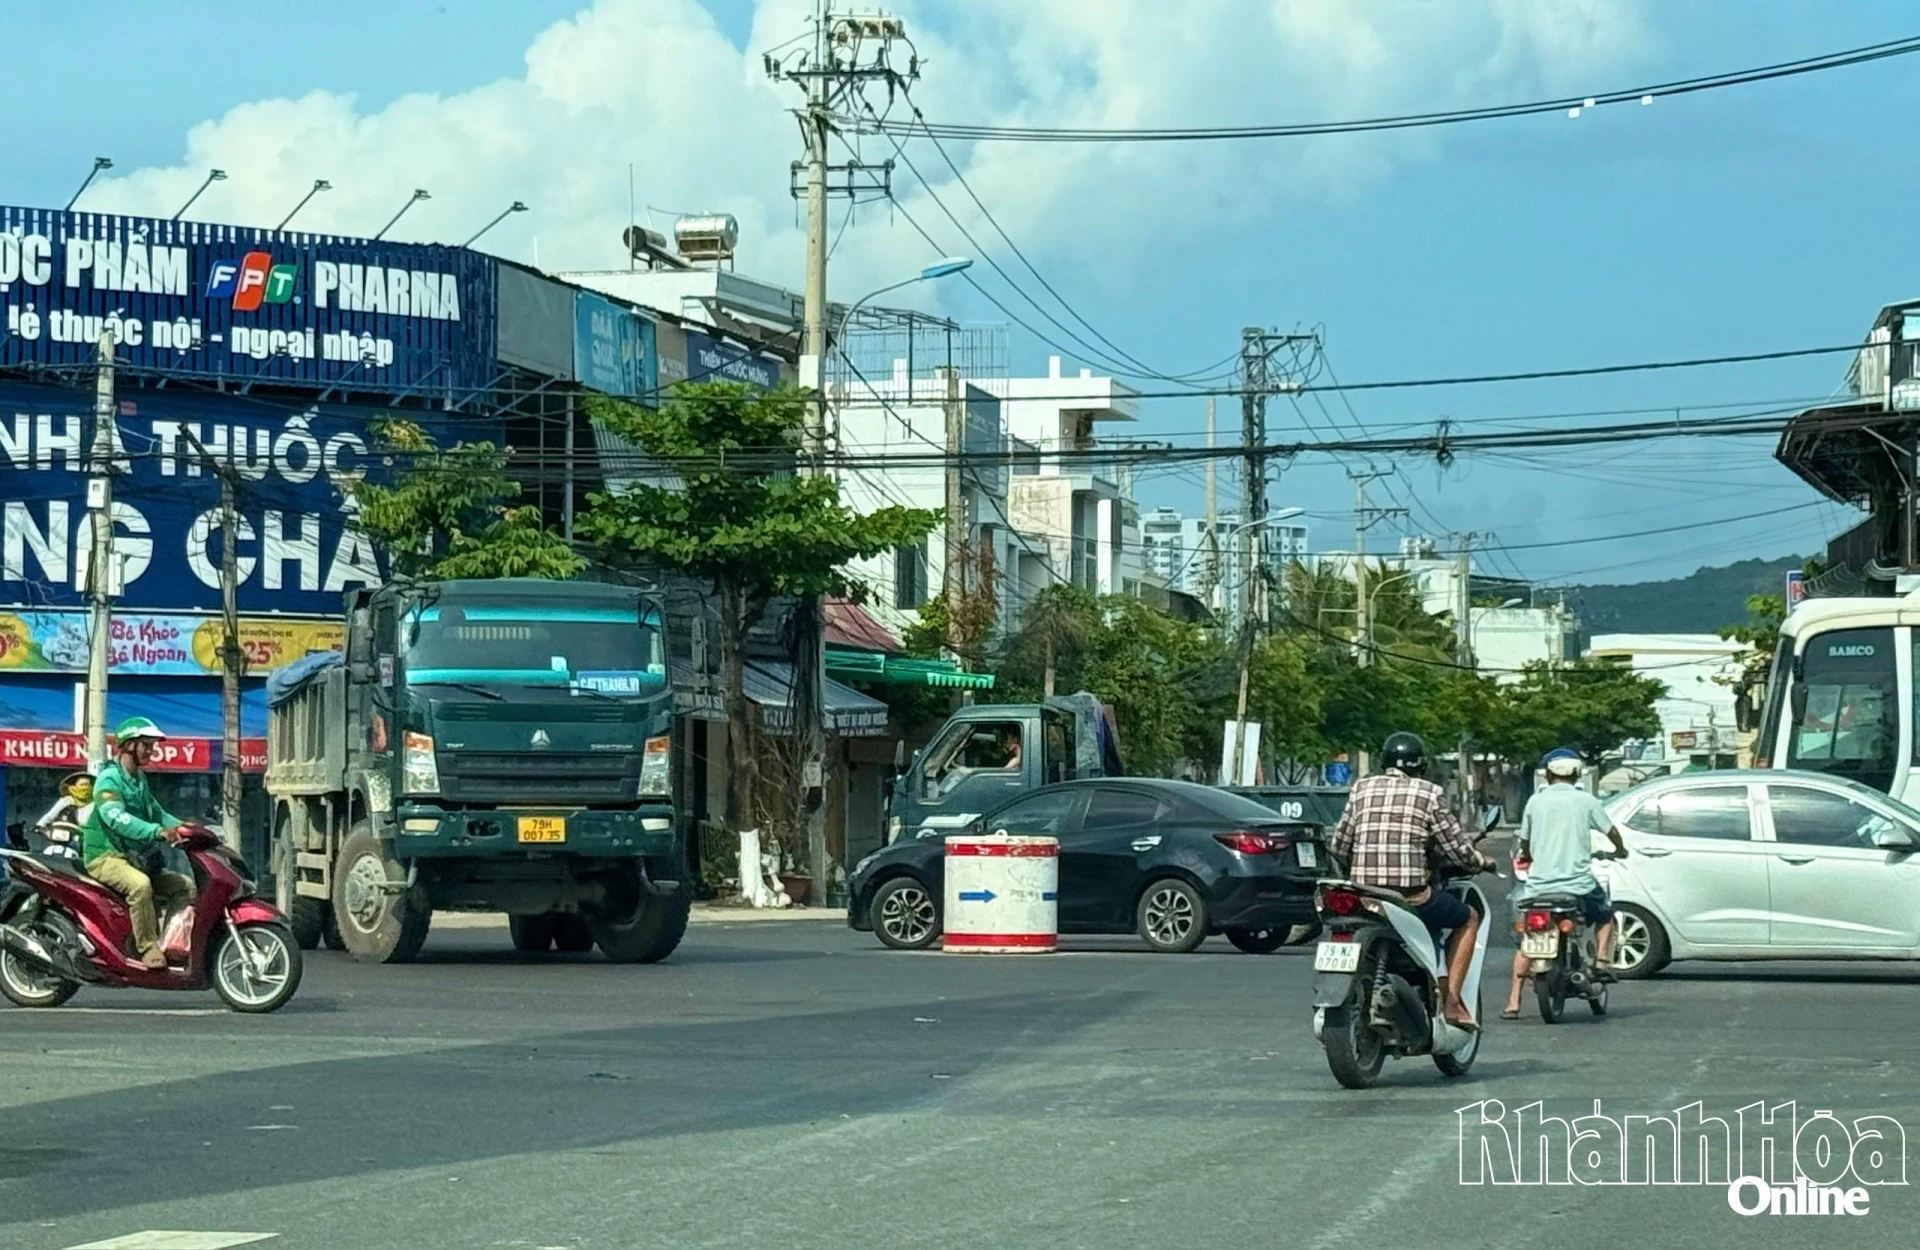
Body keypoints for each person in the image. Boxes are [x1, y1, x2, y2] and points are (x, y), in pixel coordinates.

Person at [1330, 731, 1495, 1030]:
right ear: (1421, 766)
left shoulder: (1360, 789)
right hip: (1409, 896)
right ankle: (1453, 1002)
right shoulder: (1429, 793)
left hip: (1363, 893)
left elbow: (1340, 845)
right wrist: (1481, 861)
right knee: (1468, 918)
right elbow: (1456, 849)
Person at [1500, 748, 1628, 1019]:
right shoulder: (1586, 801)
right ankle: (1603, 961)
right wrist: (1620, 849)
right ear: (1576, 773)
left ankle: (1513, 1002)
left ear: (1547, 774)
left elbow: (1524, 840)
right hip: (1578, 885)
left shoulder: (1535, 801)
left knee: (1528, 940)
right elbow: (1610, 830)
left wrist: (1529, 853)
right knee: (1606, 916)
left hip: (1539, 887)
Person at [80, 717, 195, 969]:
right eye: (146, 745)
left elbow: (157, 813)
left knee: (184, 887)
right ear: (129, 745)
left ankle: (171, 943)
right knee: (141, 886)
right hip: (106, 857)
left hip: (134, 857)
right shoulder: (109, 779)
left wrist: (187, 828)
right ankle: (148, 947)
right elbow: (116, 818)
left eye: (152, 745)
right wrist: (156, 831)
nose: (151, 750)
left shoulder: (139, 780)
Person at [32, 770, 94, 859]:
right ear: (74, 786)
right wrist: (39, 825)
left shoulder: (94, 804)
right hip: (66, 834)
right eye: (82, 785)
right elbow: (51, 814)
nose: (84, 788)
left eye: (87, 785)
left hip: (85, 837)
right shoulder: (66, 800)